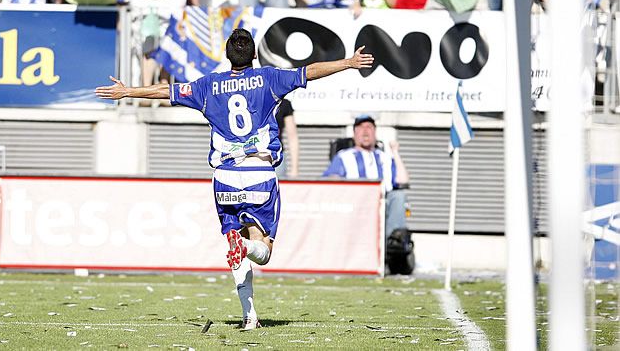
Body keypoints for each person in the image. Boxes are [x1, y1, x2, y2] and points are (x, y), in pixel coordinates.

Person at [95, 29, 374, 330]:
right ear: (254, 54)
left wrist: (127, 92)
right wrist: (348, 62)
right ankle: (246, 250)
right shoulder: (269, 79)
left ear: (226, 56)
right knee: (262, 250)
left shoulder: (208, 85)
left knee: (234, 243)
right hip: (258, 172)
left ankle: (248, 314)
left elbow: (167, 91)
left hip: (224, 177)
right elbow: (309, 72)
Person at [322, 114, 410, 249]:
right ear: (354, 133)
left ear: (375, 132)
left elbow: (403, 181)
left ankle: (393, 242)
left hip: (381, 203)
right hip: (355, 203)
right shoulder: (344, 156)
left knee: (399, 196)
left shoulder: (385, 157)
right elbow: (329, 179)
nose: (365, 131)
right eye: (361, 127)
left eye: (369, 127)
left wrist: (395, 152)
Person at [275, 98, 299, 178]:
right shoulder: (254, 100)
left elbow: (292, 137)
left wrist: (294, 169)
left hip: (277, 157)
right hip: (254, 156)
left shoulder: (284, 104)